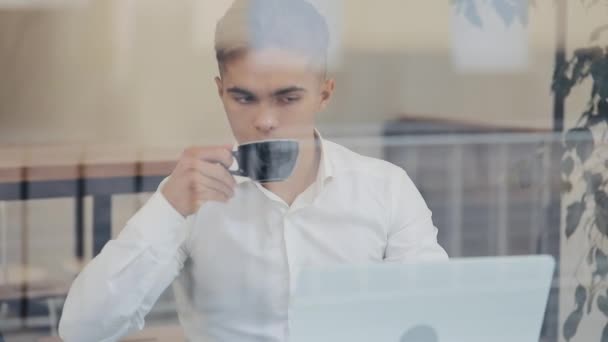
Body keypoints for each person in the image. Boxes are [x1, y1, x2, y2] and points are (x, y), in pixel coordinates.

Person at [58, 0, 448, 340]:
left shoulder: (385, 189)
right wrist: (168, 209)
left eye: (287, 98)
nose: (264, 120)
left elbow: (436, 318)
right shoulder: (190, 197)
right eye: (243, 98)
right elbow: (83, 330)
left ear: (324, 94)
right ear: (220, 91)